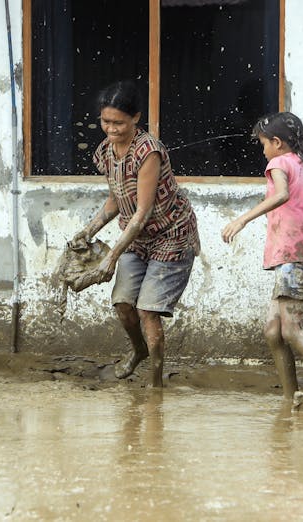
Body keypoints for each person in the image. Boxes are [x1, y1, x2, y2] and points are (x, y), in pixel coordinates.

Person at [71, 80, 200, 387]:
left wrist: (110, 258)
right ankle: (139, 350)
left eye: (118, 122)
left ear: (135, 118)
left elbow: (141, 213)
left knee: (147, 311)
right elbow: (117, 199)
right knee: (123, 304)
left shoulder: (149, 152)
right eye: (105, 122)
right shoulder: (105, 152)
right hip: (136, 238)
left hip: (171, 235)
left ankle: (155, 382)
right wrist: (88, 231)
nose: (111, 129)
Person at [221, 112, 303, 399]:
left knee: (292, 330)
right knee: (273, 331)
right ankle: (290, 397)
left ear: (277, 143)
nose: (263, 150)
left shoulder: (278, 163)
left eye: (263, 144)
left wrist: (243, 219)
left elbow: (280, 195)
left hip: (293, 259)